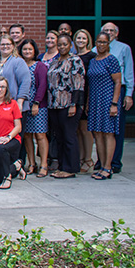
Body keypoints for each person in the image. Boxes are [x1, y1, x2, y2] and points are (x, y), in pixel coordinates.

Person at [95, 22, 134, 174]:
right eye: (106, 31)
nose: (109, 33)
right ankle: (102, 161)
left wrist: (128, 94)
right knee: (98, 130)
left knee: (113, 130)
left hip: (115, 93)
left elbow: (126, 74)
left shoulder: (123, 49)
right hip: (97, 95)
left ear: (116, 33)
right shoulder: (94, 53)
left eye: (111, 31)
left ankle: (114, 162)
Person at [46, 34, 85, 179]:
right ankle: (62, 166)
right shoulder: (55, 62)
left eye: (64, 44)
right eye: (60, 44)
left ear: (70, 45)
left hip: (68, 105)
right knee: (60, 137)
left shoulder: (75, 60)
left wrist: (74, 104)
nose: (62, 47)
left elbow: (79, 84)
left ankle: (71, 168)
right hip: (54, 105)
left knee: (69, 137)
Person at [87, 32, 122, 181]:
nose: (101, 45)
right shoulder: (93, 61)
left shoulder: (112, 60)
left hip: (108, 100)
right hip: (95, 101)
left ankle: (108, 167)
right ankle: (101, 166)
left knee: (108, 133)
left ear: (108, 44)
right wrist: (88, 102)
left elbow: (118, 82)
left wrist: (114, 103)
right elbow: (90, 84)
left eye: (104, 42)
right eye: (99, 42)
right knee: (97, 133)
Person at [18, 39, 49, 177]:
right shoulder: (20, 65)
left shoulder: (39, 66)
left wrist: (36, 102)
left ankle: (43, 164)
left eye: (30, 49)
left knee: (40, 135)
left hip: (38, 106)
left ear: (34, 51)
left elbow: (42, 85)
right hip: (23, 106)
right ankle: (31, 163)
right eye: (25, 49)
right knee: (27, 136)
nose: (27, 52)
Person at [0, 36, 30, 116]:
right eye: (2, 44)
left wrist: (20, 102)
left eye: (8, 44)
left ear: (13, 46)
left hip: (11, 105)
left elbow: (25, 82)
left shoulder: (18, 61)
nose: (5, 46)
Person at [74, 29, 96, 173]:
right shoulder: (73, 56)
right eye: (78, 38)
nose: (81, 41)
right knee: (77, 130)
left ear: (88, 40)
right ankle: (81, 158)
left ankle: (88, 159)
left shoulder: (92, 56)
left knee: (85, 129)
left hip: (87, 95)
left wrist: (88, 100)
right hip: (76, 96)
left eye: (83, 38)